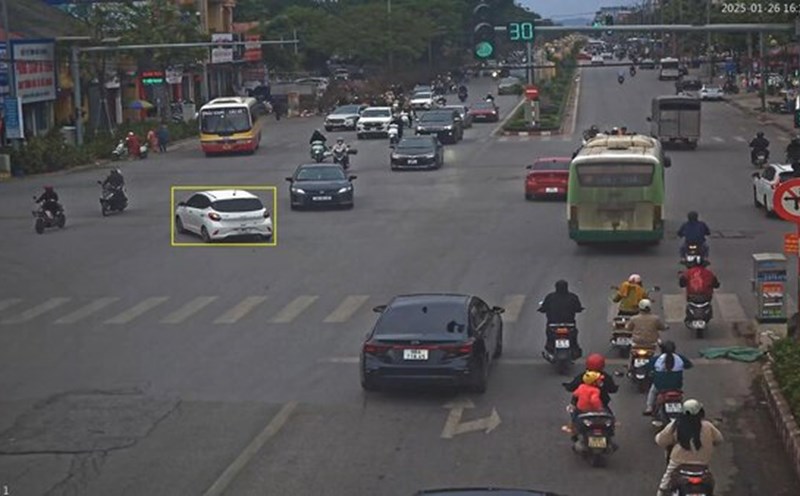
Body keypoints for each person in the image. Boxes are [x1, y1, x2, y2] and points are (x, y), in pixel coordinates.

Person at [655, 399, 723, 496]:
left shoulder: (676, 425)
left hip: (678, 462)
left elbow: (660, 441)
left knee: (666, 481)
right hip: (702, 463)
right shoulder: (708, 426)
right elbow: (719, 440)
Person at [538, 280, 584, 359]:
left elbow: (544, 308)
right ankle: (574, 349)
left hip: (553, 325)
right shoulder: (573, 297)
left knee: (550, 338)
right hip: (569, 325)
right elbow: (578, 308)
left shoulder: (550, 297)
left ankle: (550, 349)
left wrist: (542, 309)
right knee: (573, 340)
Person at [644, 341, 693, 415]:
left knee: (653, 391)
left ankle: (649, 407)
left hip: (660, 387)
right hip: (676, 386)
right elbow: (689, 365)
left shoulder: (657, 359)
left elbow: (648, 367)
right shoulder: (680, 358)